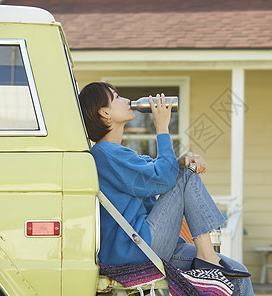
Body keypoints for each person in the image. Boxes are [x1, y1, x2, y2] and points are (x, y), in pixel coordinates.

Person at [78, 82, 254, 295]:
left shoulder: (113, 154)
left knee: (237, 272)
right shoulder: (106, 153)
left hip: (143, 245)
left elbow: (152, 169)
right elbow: (164, 178)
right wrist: (162, 127)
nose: (126, 100)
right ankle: (207, 258)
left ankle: (208, 259)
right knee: (184, 177)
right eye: (116, 97)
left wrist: (180, 160)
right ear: (105, 112)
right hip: (135, 248)